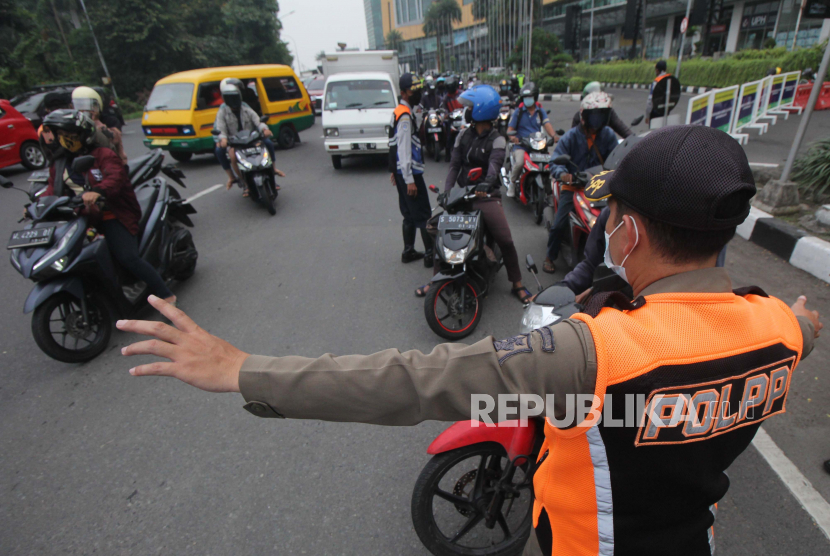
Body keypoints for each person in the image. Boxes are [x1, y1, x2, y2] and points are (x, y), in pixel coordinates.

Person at [119, 125, 822, 555]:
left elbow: (411, 379)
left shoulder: (593, 351)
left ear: (629, 232)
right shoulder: (779, 329)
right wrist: (802, 318)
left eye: (613, 217)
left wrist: (246, 370)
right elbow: (803, 327)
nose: (605, 228)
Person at [42, 109, 176, 305]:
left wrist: (98, 191)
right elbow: (52, 189)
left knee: (127, 257)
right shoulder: (60, 163)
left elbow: (116, 178)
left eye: (68, 134)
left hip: (113, 214)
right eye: (60, 135)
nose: (64, 139)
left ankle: (166, 296)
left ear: (82, 134)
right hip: (81, 218)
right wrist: (37, 206)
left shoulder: (103, 155)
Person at [415, 85, 531, 303]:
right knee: (439, 229)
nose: (466, 111)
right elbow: (454, 166)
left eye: (469, 107)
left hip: (486, 196)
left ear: (481, 110)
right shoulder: (462, 136)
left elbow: (494, 167)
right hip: (461, 194)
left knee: (505, 239)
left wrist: (486, 184)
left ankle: (517, 283)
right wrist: (448, 193)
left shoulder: (497, 139)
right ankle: (435, 280)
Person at [544, 92, 618, 274]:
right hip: (574, 185)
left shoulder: (608, 135)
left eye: (601, 114)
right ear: (584, 116)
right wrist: (563, 175)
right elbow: (554, 162)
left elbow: (617, 157)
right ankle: (550, 256)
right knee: (559, 223)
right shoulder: (571, 137)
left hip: (601, 184)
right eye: (594, 114)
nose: (598, 118)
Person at [388, 73, 433, 266]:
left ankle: (408, 251)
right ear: (405, 93)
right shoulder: (404, 116)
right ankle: (431, 255)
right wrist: (409, 180)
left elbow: (392, 145)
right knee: (423, 214)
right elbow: (404, 148)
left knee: (408, 213)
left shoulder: (398, 111)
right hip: (410, 173)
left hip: (400, 172)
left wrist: (395, 171)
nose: (418, 93)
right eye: (414, 91)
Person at [214, 78, 285, 196]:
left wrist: (264, 129)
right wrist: (222, 139)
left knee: (268, 144)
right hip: (235, 142)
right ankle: (240, 181)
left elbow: (257, 120)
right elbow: (220, 128)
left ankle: (272, 171)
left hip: (251, 138)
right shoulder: (222, 111)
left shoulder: (245, 107)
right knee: (228, 155)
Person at [506, 81, 557, 198]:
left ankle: (548, 184)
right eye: (525, 98)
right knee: (519, 163)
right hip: (521, 144)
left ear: (535, 97)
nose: (527, 100)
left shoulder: (540, 111)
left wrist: (554, 136)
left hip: (537, 144)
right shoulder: (518, 112)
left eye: (530, 97)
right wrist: (513, 138)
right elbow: (510, 130)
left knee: (549, 163)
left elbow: (547, 124)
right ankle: (512, 183)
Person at [72, 86, 128, 164]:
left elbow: (113, 140)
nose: (83, 110)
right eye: (79, 106)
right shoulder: (75, 126)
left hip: (110, 165)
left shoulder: (109, 121)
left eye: (86, 106)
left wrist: (95, 122)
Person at [645, 60, 671, 125]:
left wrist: (647, 115)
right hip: (666, 111)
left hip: (656, 113)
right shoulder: (670, 80)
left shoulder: (656, 82)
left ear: (657, 70)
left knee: (655, 133)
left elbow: (650, 100)